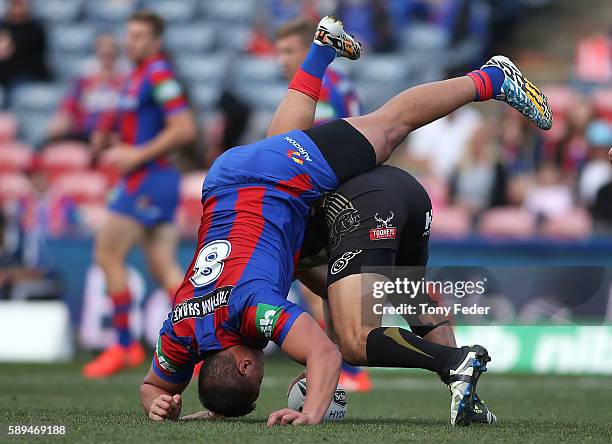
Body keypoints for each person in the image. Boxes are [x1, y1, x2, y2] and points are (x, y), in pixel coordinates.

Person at [140, 16, 551, 426]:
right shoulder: (181, 329)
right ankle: (322, 48)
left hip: (281, 182)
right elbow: (153, 386)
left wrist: (311, 415)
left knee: (391, 127)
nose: (265, 364)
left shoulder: (253, 308)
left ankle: (491, 79)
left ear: (245, 368)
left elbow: (325, 351)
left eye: (258, 374)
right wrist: (161, 402)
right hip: (224, 180)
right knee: (353, 284)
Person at [83, 11, 197, 379]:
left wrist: (137, 154)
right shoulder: (135, 77)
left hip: (148, 179)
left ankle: (123, 344)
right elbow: (141, 128)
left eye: (138, 36)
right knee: (164, 266)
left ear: (155, 41)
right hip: (153, 179)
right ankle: (198, 344)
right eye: (128, 34)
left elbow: (184, 128)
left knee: (107, 252)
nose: (130, 41)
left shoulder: (159, 74)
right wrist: (114, 141)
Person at [276, 17, 369, 392]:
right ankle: (346, 365)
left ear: (307, 49)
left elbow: (316, 144)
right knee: (332, 281)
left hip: (326, 196)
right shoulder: (338, 85)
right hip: (339, 193)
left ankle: (346, 367)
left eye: (287, 51)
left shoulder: (323, 89)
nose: (281, 60)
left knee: (323, 279)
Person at [47, 34, 125, 143]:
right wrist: (61, 119)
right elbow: (69, 103)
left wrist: (105, 132)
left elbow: (125, 112)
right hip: (83, 131)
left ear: (117, 52)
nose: (106, 50)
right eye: (102, 46)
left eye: (111, 47)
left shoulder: (126, 80)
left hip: (111, 133)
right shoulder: (84, 79)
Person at [0, 0, 49, 93]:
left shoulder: (35, 29)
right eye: (15, 4)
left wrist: (10, 45)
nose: (19, 8)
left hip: (27, 77)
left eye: (21, 4)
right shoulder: (3, 26)